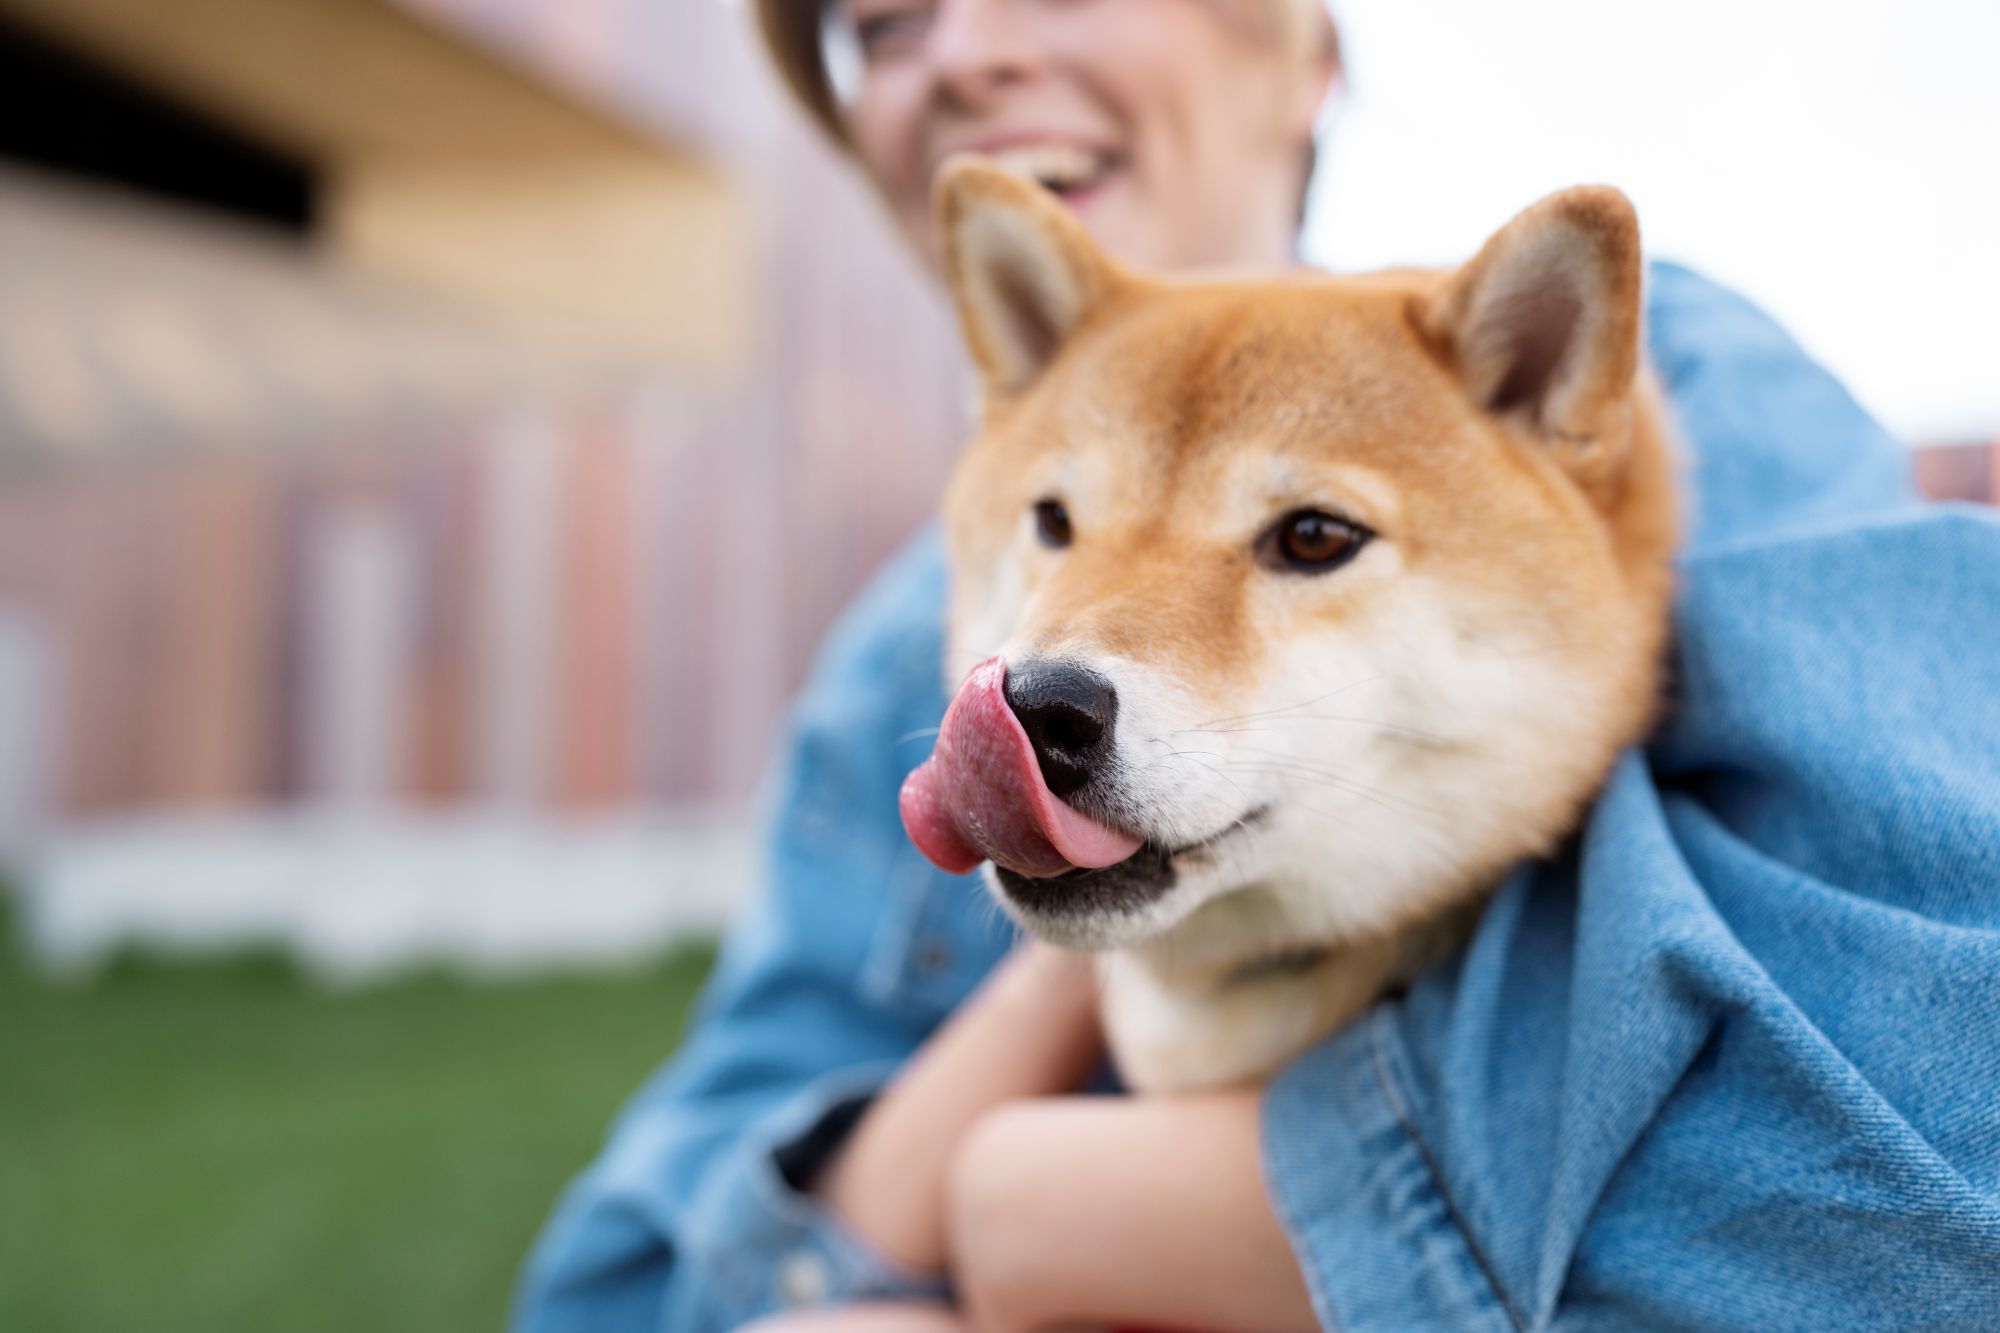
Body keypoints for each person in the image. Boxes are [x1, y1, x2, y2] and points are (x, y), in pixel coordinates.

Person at [515, 2, 2000, 1330]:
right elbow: (614, 1292)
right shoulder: (887, 670)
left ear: (1304, 58)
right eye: (885, 23)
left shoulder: (1684, 384)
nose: (963, 50)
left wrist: (1038, 1202)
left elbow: (1930, 1166)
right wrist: (1065, 987)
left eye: (1308, 536)